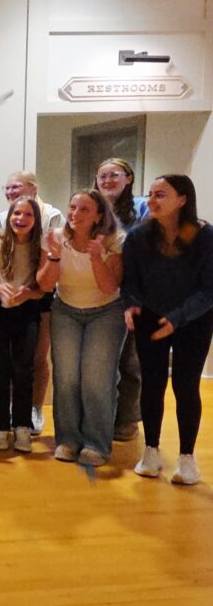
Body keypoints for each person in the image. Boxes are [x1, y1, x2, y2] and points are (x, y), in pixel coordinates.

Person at [123, 175, 213, 486]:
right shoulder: (139, 236)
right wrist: (131, 305)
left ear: (182, 200)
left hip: (194, 319)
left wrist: (177, 318)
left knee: (186, 385)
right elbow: (130, 281)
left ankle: (187, 458)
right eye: (150, 194)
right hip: (151, 317)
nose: (151, 200)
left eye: (160, 194)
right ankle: (151, 451)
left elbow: (209, 290)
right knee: (152, 383)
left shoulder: (204, 236)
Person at [37, 189, 125, 467]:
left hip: (106, 312)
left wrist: (96, 257)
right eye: (72, 207)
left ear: (99, 216)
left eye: (84, 209)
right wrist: (53, 256)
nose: (75, 214)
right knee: (66, 378)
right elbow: (45, 285)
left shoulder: (114, 240)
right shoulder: (55, 238)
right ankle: (68, 440)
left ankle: (96, 444)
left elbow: (109, 287)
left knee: (96, 380)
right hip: (66, 310)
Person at [0, 171, 64, 435]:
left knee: (33, 359)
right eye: (7, 188)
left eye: (16, 187)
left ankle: (32, 411)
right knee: (3, 364)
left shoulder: (52, 216)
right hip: (2, 300)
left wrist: (30, 293)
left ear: (32, 188)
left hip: (38, 296)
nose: (11, 193)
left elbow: (51, 265)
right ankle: (6, 418)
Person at [0, 197, 45, 453]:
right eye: (17, 214)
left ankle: (22, 425)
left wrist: (26, 294)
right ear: (9, 217)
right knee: (0, 368)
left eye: (28, 215)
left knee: (23, 368)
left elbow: (45, 288)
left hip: (27, 310)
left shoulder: (41, 248)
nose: (21, 219)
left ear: (36, 220)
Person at [95, 157, 147, 443]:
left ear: (128, 178)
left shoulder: (143, 208)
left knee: (129, 360)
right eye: (102, 176)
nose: (107, 181)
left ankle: (127, 418)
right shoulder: (92, 208)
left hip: (131, 292)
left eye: (114, 175)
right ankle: (100, 416)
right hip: (98, 292)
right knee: (100, 362)